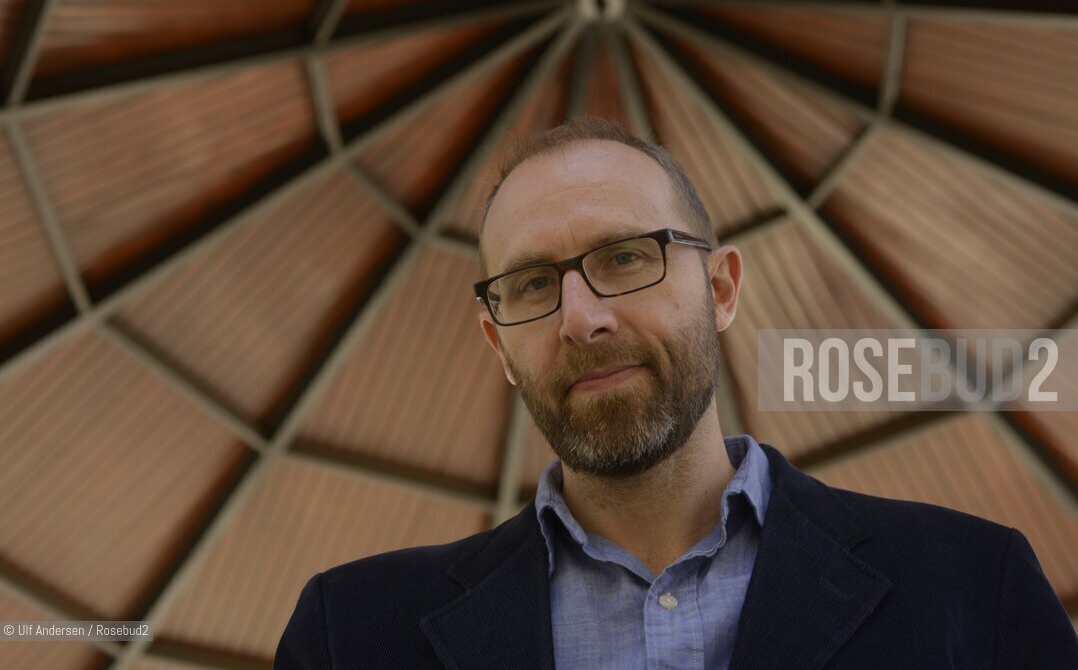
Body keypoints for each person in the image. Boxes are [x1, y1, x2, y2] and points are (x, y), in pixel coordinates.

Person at [274, 117, 1077, 669]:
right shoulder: (350, 633)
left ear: (721, 287)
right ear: (499, 344)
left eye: (626, 257)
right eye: (530, 285)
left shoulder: (973, 585)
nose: (581, 319)